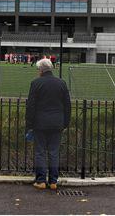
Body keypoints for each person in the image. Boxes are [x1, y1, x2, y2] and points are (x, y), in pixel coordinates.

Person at [25, 58, 71, 191]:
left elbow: (31, 106)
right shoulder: (61, 83)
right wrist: (65, 123)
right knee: (54, 152)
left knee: (40, 152)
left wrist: (29, 124)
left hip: (40, 123)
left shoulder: (36, 83)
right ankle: (53, 181)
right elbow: (67, 105)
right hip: (57, 123)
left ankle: (41, 180)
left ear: (41, 70)